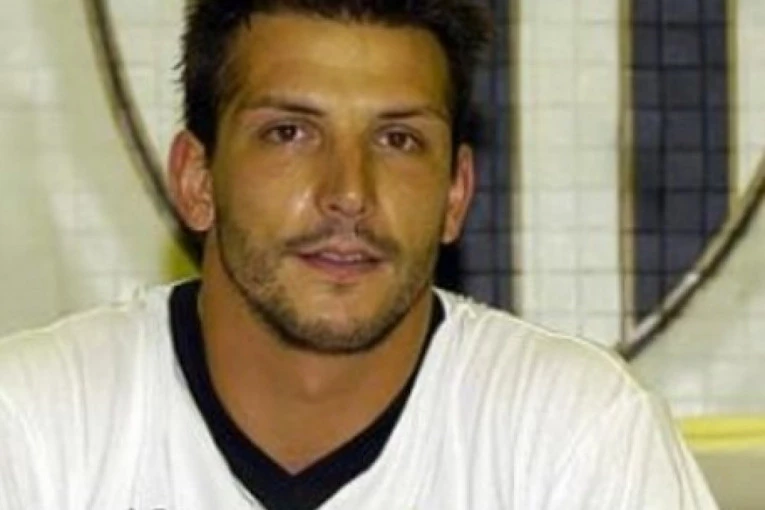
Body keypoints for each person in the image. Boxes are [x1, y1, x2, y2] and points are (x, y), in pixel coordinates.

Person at [0, 0, 718, 508]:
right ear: (196, 180)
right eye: (289, 133)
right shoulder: (31, 421)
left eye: (398, 140)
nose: (349, 193)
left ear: (455, 194)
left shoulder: (576, 433)